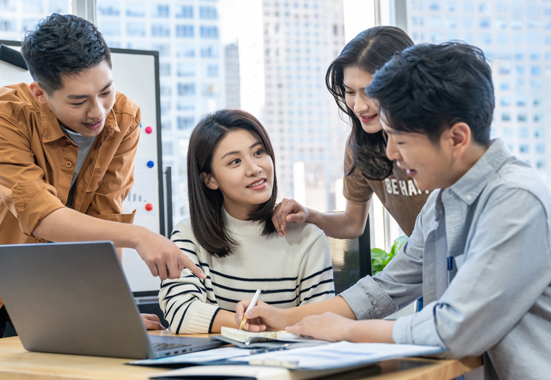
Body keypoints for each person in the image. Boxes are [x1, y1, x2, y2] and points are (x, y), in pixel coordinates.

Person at [236, 42, 551, 380]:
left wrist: (346, 330)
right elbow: (386, 287)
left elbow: (453, 328)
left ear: (457, 138)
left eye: (400, 140)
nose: (390, 153)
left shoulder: (515, 199)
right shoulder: (441, 202)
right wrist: (287, 318)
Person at [0, 14, 202, 345]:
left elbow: (105, 217)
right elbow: (40, 215)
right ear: (40, 93)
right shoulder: (4, 114)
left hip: (47, 293)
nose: (97, 111)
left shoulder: (125, 118)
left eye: (105, 91)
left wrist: (112, 307)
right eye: (78, 101)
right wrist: (139, 236)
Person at [159, 109, 335, 334]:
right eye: (235, 161)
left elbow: (321, 323)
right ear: (210, 179)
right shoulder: (189, 234)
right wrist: (246, 322)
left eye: (259, 152)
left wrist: (247, 323)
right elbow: (180, 312)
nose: (254, 168)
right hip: (214, 367)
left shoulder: (307, 238)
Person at [272, 26, 429, 239]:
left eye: (370, 92)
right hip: (426, 261)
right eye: (350, 92)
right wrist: (309, 215)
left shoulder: (438, 138)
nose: (358, 106)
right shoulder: (361, 144)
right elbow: (353, 223)